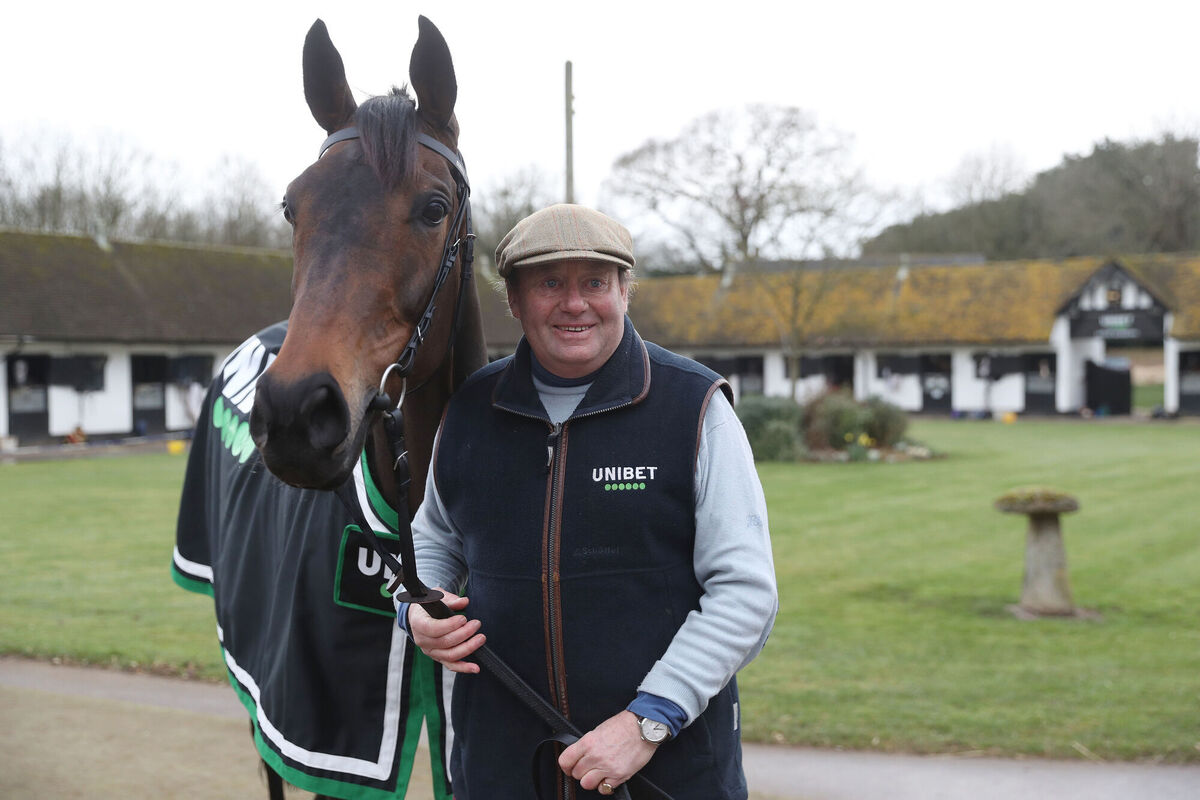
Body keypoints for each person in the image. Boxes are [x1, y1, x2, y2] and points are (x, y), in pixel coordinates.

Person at [404, 204, 778, 799]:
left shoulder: (695, 406)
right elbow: (431, 540)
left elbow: (745, 591)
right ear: (515, 300)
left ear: (625, 291)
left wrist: (649, 719)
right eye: (550, 283)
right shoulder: (469, 409)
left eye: (596, 283)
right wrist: (418, 609)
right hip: (500, 771)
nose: (574, 303)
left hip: (666, 771)